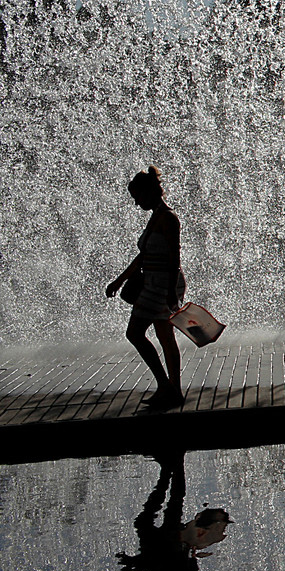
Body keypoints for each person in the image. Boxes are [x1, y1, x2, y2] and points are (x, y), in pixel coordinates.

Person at [105, 166, 186, 408]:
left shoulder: (168, 218)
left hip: (162, 284)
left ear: (149, 192)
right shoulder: (156, 217)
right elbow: (142, 257)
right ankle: (173, 391)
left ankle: (166, 386)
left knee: (135, 333)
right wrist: (118, 281)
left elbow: (174, 257)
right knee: (164, 336)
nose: (137, 203)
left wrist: (171, 290)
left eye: (138, 197)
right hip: (155, 281)